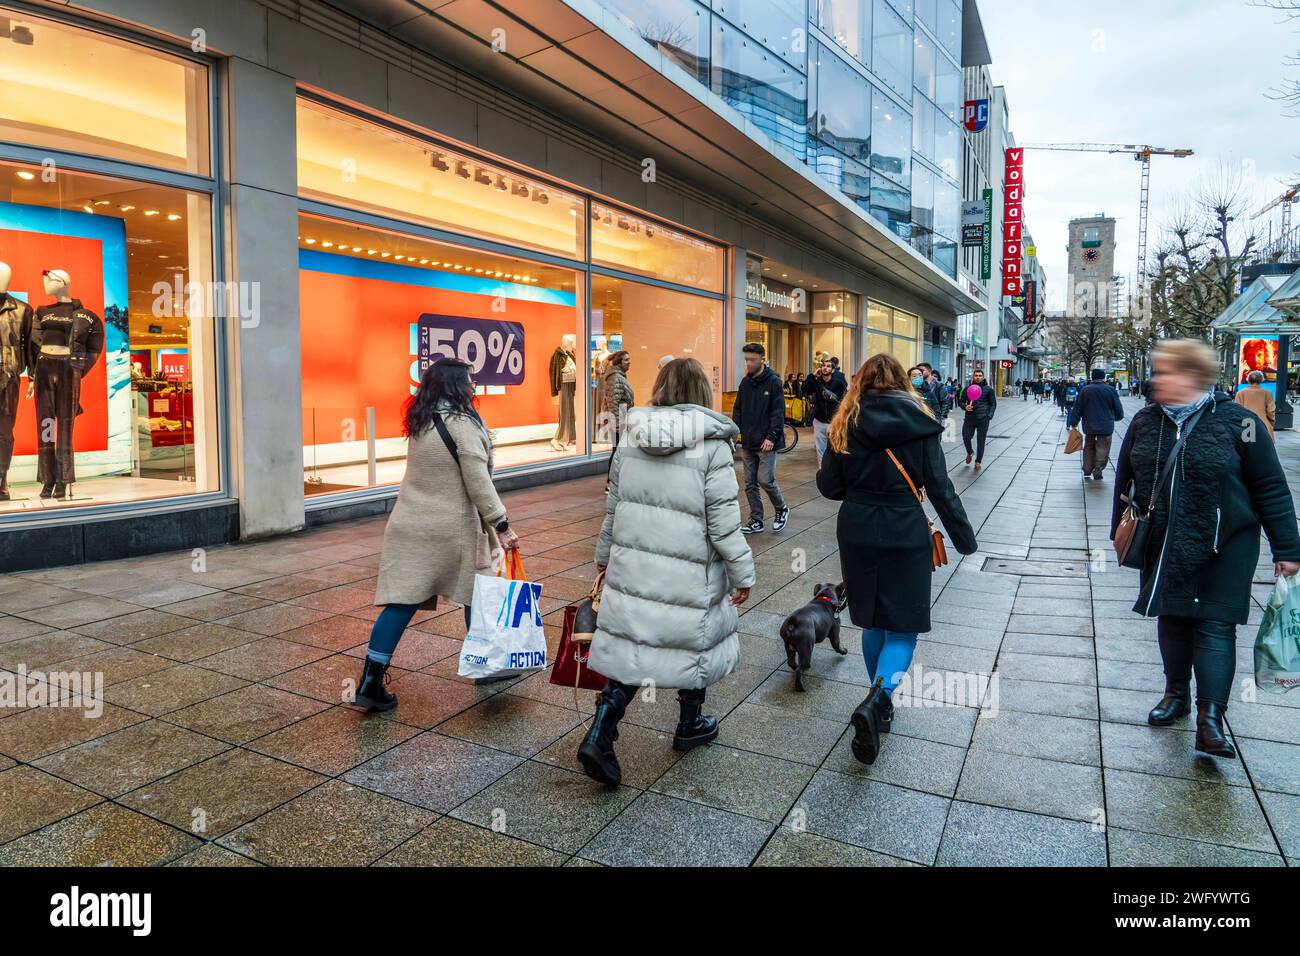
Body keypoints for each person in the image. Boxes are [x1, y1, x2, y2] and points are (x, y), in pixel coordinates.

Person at [1112, 339, 1300, 759]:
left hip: (1225, 544)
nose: (1157, 379)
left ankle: (1210, 719)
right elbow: (1125, 480)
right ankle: (1175, 695)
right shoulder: (1145, 421)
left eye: (1166, 372)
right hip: (1164, 543)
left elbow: (1270, 486)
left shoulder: (1241, 422)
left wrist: (1287, 548)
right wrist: (1119, 533)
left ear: (1193, 376)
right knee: (1174, 618)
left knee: (1216, 626)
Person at [578, 358, 756, 785]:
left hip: (634, 564)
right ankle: (689, 723)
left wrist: (603, 557)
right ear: (702, 392)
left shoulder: (631, 437)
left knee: (636, 645)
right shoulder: (713, 445)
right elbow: (724, 523)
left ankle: (602, 730)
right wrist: (742, 573)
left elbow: (613, 508)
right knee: (691, 639)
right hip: (688, 570)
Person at [817, 353, 978, 765]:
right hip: (905, 530)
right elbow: (941, 488)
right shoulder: (921, 423)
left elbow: (829, 487)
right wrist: (964, 540)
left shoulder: (844, 423)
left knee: (872, 617)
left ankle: (877, 701)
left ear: (861, 381)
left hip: (856, 528)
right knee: (903, 624)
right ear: (904, 382)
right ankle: (879, 699)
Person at [354, 358, 519, 710]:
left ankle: (370, 680)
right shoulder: (463, 424)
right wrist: (501, 524)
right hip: (451, 528)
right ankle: (485, 664)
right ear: (458, 386)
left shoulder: (422, 420)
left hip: (410, 524)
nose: (474, 386)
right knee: (478, 590)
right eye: (469, 381)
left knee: (401, 602)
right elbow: (478, 482)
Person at [733, 342, 789, 534]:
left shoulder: (773, 381)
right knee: (749, 483)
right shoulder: (745, 382)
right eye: (747, 359)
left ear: (762, 359)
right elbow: (738, 409)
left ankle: (781, 509)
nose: (749, 363)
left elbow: (778, 412)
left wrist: (772, 437)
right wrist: (735, 431)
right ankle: (756, 520)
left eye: (753, 360)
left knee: (765, 480)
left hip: (767, 442)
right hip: (748, 441)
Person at [1069, 368, 1126, 481]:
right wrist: (1118, 417)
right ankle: (1098, 469)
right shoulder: (1110, 390)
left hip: (1089, 424)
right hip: (1106, 425)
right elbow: (1118, 408)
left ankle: (1087, 469)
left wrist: (1074, 422)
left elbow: (1077, 408)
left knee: (1089, 445)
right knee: (1103, 447)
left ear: (1093, 377)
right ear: (1103, 377)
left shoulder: (1085, 390)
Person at [601, 350, 635, 492]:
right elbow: (613, 401)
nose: (629, 362)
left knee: (619, 451)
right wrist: (615, 423)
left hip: (621, 417)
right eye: (626, 360)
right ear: (619, 363)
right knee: (617, 451)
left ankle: (616, 480)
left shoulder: (619, 376)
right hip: (618, 419)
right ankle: (610, 483)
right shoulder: (615, 377)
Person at [803, 359, 847, 465]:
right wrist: (812, 376)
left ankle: (835, 472)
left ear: (832, 370)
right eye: (823, 366)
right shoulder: (816, 382)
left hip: (834, 421)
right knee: (820, 450)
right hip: (819, 420)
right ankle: (822, 472)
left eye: (828, 366)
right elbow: (804, 388)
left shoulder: (839, 383)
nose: (825, 367)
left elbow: (844, 400)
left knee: (835, 449)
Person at [960, 368, 996, 470]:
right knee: (966, 437)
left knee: (981, 440)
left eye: (980, 375)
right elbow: (961, 401)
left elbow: (993, 404)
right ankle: (970, 452)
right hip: (969, 418)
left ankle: (978, 461)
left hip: (983, 418)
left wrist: (989, 416)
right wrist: (965, 407)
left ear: (983, 377)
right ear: (973, 377)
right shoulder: (967, 389)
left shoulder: (988, 389)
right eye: (976, 375)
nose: (978, 377)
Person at [1234, 370, 1276, 438]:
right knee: (1264, 447)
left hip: (1246, 426)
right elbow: (1271, 412)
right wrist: (1271, 423)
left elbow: (1237, 411)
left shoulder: (1240, 393)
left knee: (1247, 447)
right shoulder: (1267, 393)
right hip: (1263, 425)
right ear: (1261, 380)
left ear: (1248, 380)